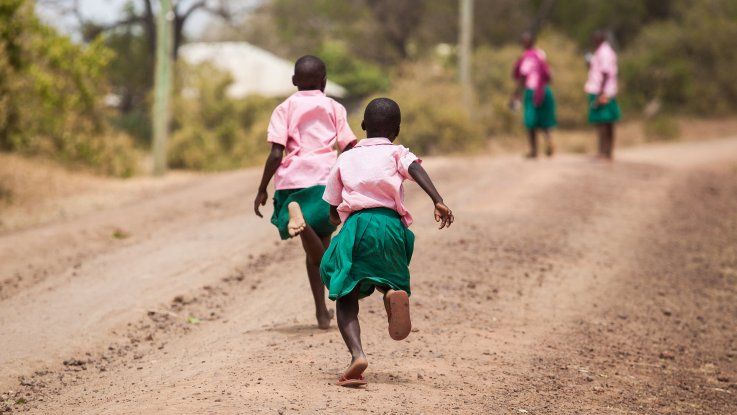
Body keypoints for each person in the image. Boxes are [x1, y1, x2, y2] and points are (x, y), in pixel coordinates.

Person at [320, 98, 454, 387]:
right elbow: (416, 169)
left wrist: (336, 219)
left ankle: (357, 354)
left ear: (364, 126)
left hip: (358, 226)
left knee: (345, 292)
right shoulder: (397, 153)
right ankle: (392, 292)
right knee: (386, 273)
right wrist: (438, 200)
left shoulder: (346, 157)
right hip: (393, 227)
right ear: (397, 129)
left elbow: (332, 207)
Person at [254, 55, 357, 330]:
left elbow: (276, 152)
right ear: (324, 81)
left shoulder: (283, 109)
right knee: (323, 242)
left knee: (313, 250)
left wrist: (263, 187)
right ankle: (325, 310)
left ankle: (322, 312)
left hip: (293, 183)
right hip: (325, 180)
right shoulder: (334, 107)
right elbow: (348, 146)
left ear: (293, 81)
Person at [511, 31, 557, 158]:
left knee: (530, 122)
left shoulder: (526, 57)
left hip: (532, 91)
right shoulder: (541, 54)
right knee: (544, 120)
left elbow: (522, 78)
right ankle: (549, 141)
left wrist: (515, 95)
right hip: (544, 90)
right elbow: (549, 74)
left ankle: (534, 151)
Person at [585, 30, 621, 159]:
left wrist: (600, 92)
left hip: (602, 91)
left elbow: (605, 72)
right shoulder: (601, 51)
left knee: (603, 122)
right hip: (606, 90)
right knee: (607, 122)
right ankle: (607, 151)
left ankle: (604, 151)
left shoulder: (604, 52)